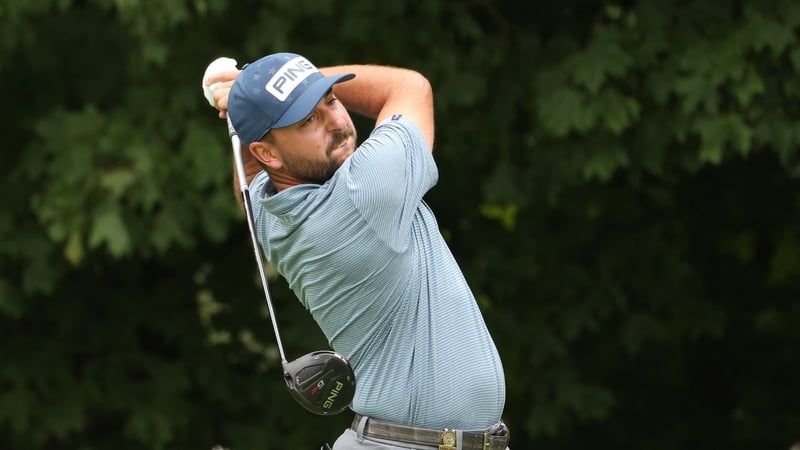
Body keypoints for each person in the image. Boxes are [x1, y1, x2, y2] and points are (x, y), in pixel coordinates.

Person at [205, 52, 510, 450]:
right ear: (268, 153)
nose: (336, 122)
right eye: (307, 120)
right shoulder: (363, 191)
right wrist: (274, 85)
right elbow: (409, 88)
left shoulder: (273, 218)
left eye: (331, 100)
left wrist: (253, 98)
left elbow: (250, 177)